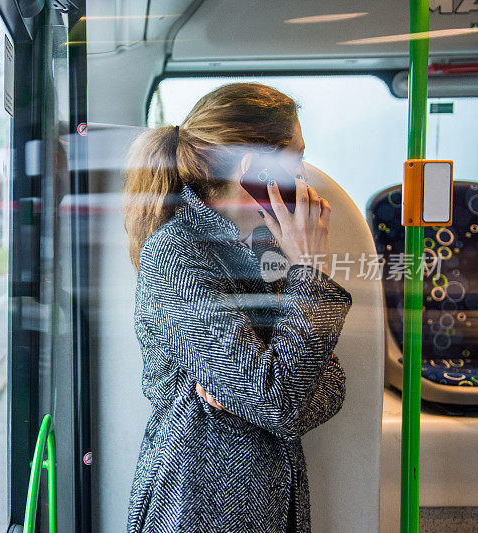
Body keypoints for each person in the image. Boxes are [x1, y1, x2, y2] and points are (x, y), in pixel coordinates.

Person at [123, 83, 352, 533]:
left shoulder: (261, 244)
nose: (304, 174)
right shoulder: (177, 255)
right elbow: (283, 399)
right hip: (200, 502)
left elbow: (326, 384)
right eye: (296, 157)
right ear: (255, 166)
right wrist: (308, 267)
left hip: (261, 500)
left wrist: (260, 395)